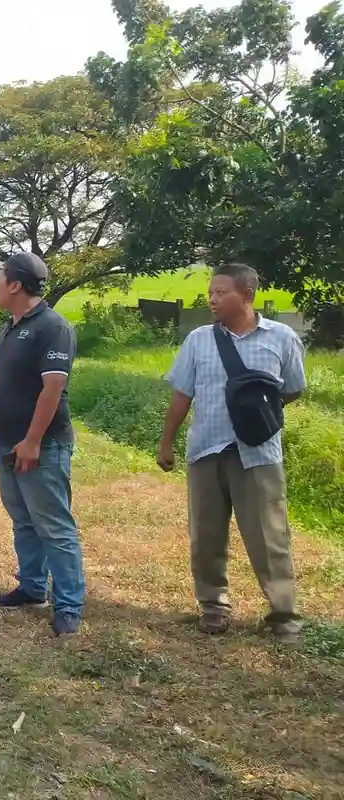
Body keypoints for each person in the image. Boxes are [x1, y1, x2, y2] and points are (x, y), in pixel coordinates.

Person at [156, 263, 305, 643]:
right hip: (206, 447)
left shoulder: (282, 338)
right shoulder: (199, 340)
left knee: (269, 536)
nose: (212, 299)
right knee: (206, 535)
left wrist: (258, 415)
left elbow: (292, 389)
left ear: (247, 296)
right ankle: (213, 605)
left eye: (222, 292)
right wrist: (166, 441)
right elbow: (181, 395)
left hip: (258, 454)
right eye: (211, 292)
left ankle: (283, 614)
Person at [0, 252, 85, 636]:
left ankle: (69, 605)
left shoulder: (53, 327)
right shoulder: (12, 326)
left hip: (40, 447)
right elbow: (2, 372)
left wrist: (32, 441)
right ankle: (33, 589)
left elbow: (53, 388)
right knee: (24, 521)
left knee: (54, 526)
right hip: (5, 442)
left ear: (15, 284)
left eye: (0, 278)